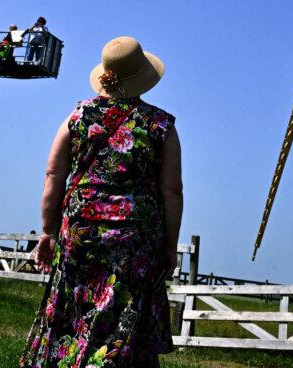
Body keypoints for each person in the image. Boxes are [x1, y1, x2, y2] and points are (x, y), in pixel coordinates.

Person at [18, 37, 183, 368]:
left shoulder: (78, 116)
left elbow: (53, 175)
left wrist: (48, 232)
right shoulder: (160, 126)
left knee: (73, 311)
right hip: (134, 239)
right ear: (142, 76)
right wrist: (169, 246)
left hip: (80, 229)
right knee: (123, 315)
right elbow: (172, 191)